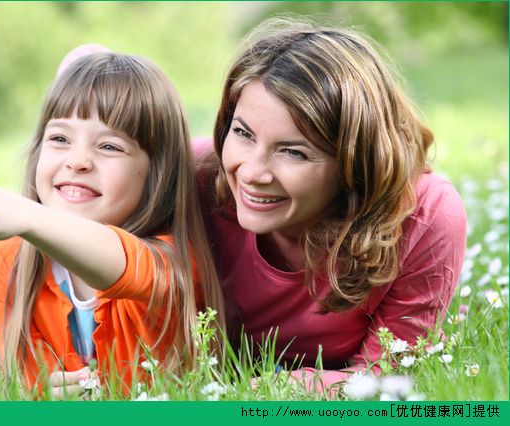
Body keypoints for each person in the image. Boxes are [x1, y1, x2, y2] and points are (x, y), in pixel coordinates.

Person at [196, 17, 467, 392]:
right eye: (243, 133)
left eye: (293, 152)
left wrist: (270, 390)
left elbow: (385, 377)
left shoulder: (424, 214)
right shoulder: (198, 178)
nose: (252, 172)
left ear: (354, 162)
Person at [0, 51, 224, 398]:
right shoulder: (3, 262)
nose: (78, 161)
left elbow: (123, 264)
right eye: (59, 139)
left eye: (109, 146)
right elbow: (25, 385)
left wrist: (28, 215)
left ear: (156, 173)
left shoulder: (172, 263)